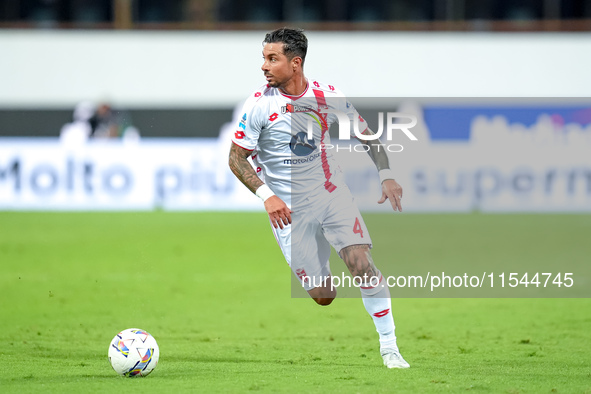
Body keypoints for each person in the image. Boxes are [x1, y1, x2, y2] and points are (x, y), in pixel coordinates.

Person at [228, 27, 409, 369]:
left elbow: (367, 136)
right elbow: (236, 157)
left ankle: (390, 348)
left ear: (295, 64)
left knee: (361, 265)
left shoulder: (328, 96)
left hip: (331, 194)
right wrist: (267, 195)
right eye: (263, 59)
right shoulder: (259, 106)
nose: (264, 67)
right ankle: (321, 260)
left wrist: (386, 174)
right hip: (288, 211)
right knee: (324, 296)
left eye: (272, 59)